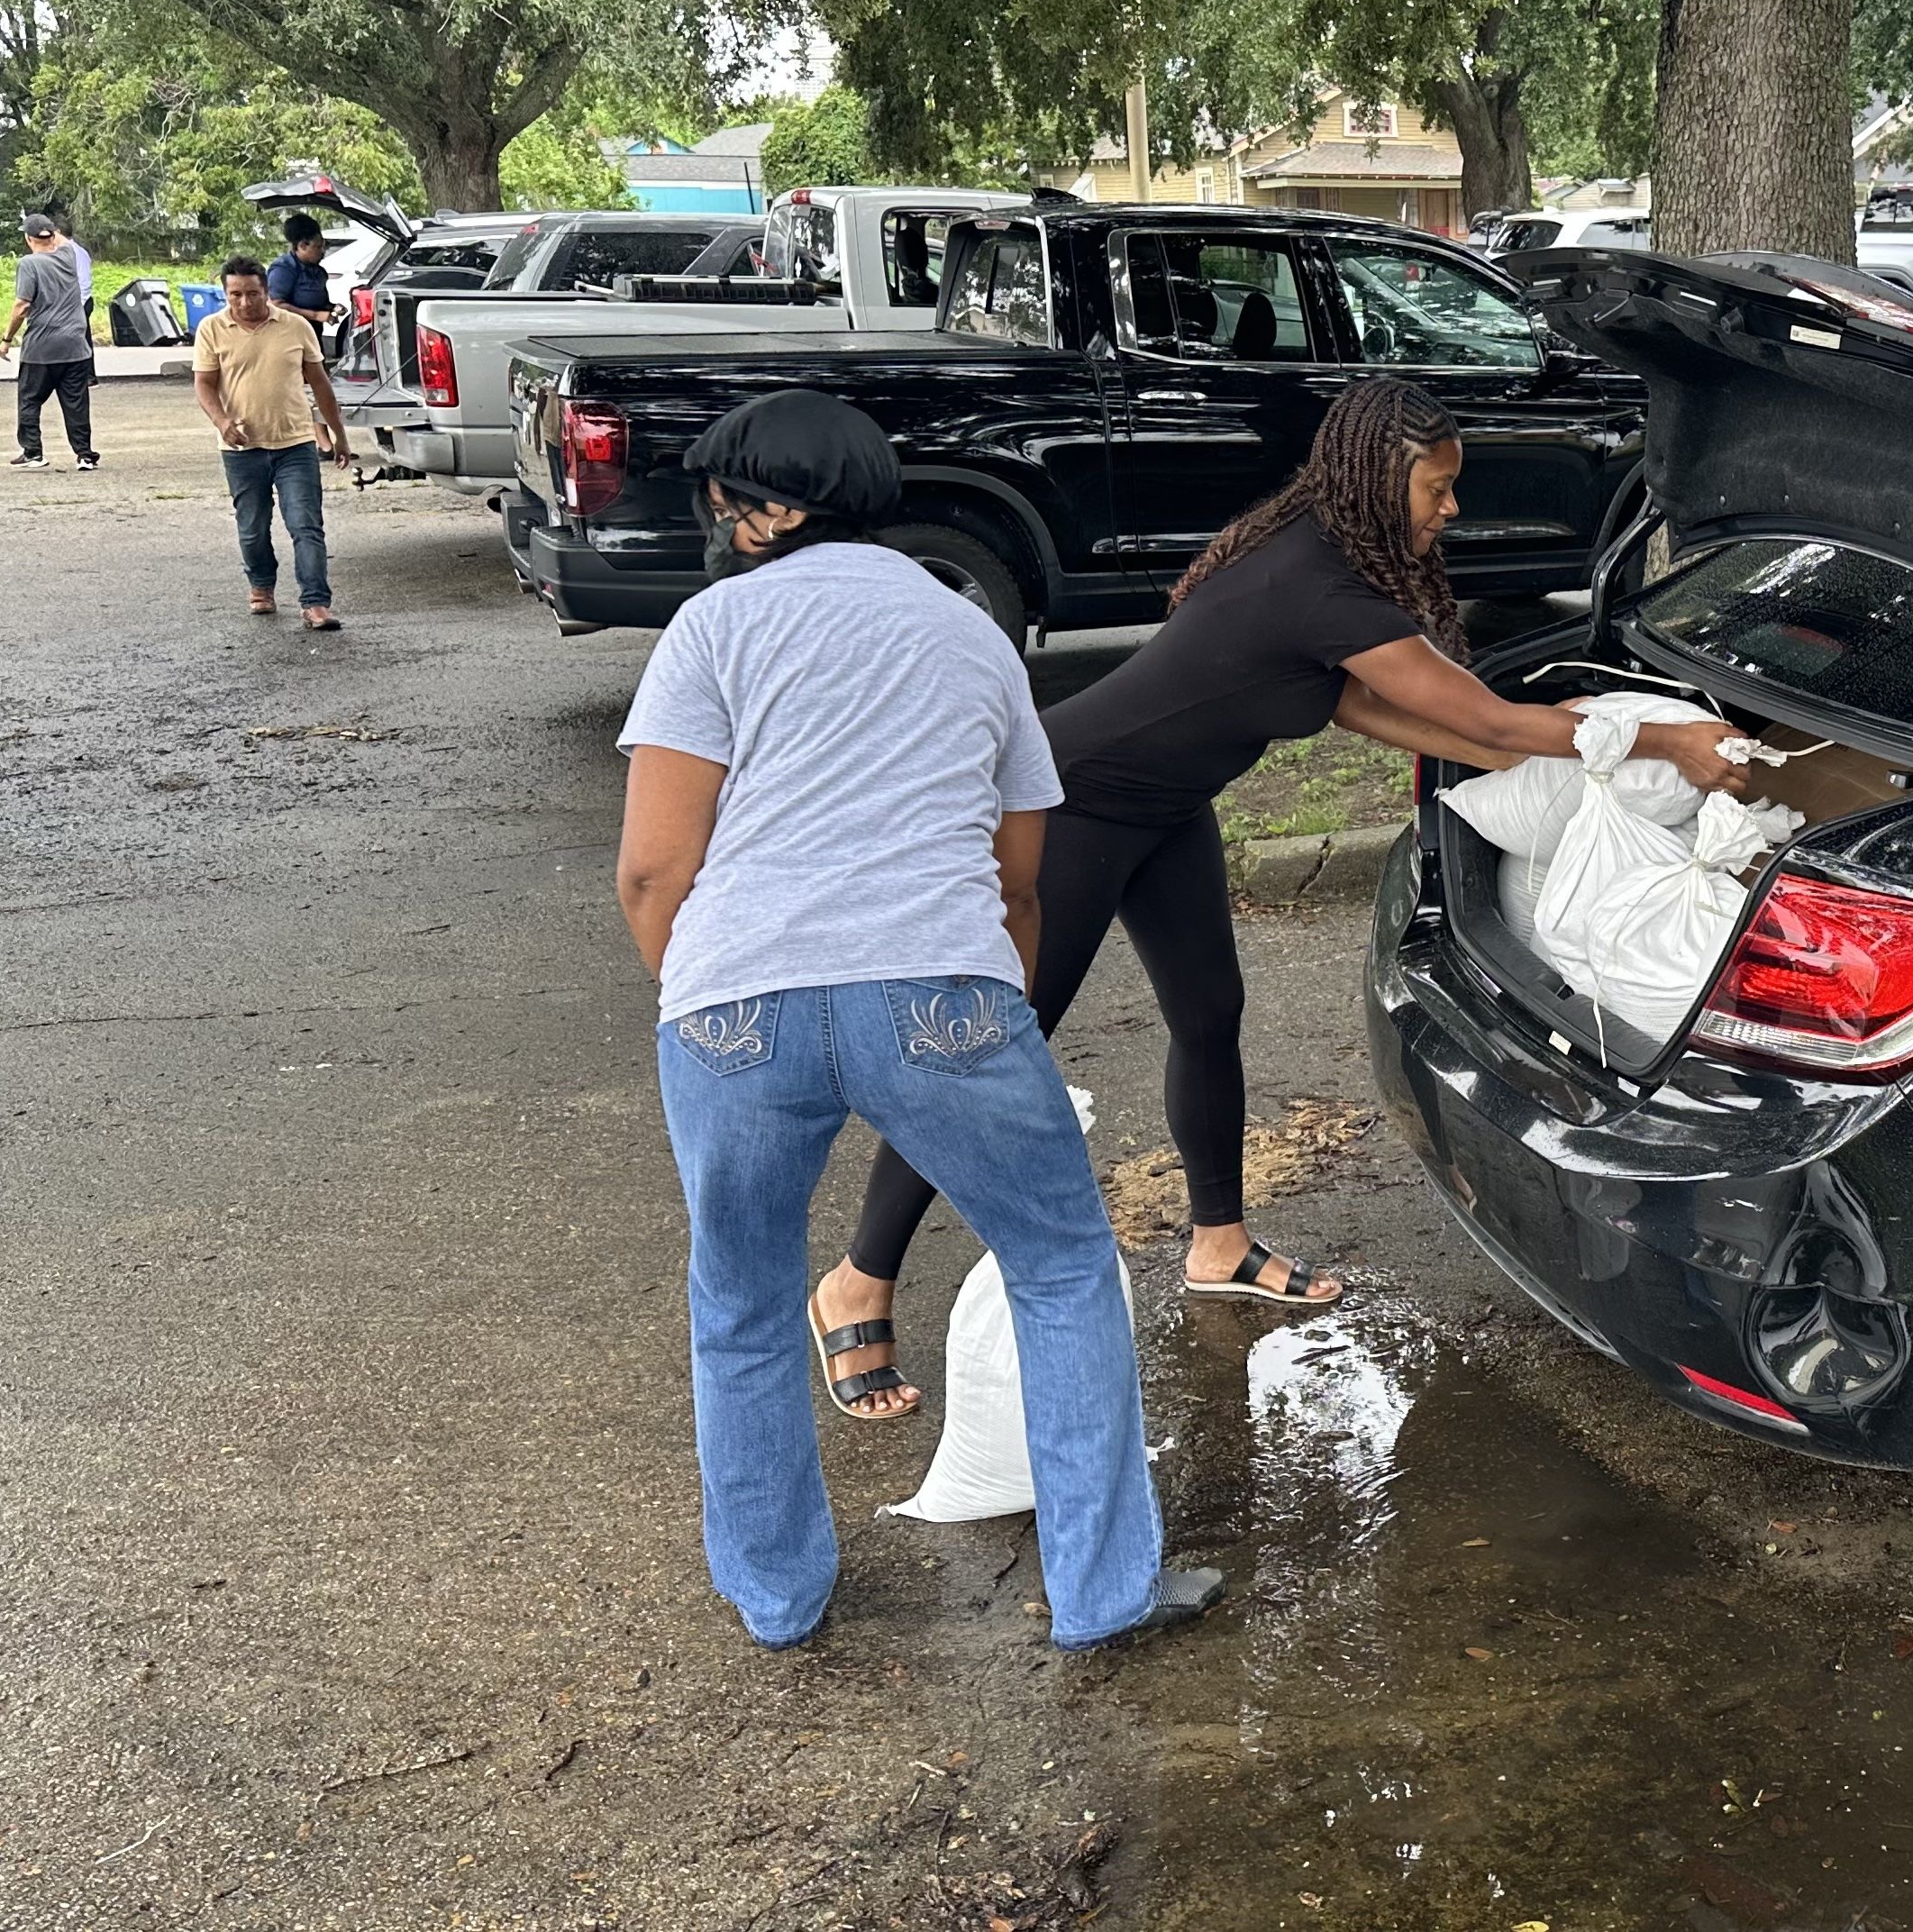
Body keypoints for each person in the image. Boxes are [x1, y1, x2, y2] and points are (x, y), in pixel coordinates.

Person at [834, 378, 1751, 1346]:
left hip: (1165, 808)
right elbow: (1479, 711)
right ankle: (857, 1284)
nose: (1452, 509)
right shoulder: (1314, 583)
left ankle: (1219, 1244)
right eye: (1436, 490)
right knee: (996, 1044)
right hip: (1069, 805)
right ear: (1375, 479)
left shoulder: (1323, 547)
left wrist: (1513, 761)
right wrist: (1665, 743)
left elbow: (1353, 705)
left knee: (1208, 1014)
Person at [614, 387, 1221, 1653]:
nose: (720, 526)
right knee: (1061, 1269)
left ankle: (779, 1603)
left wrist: (709, 994)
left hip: (735, 1004)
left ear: (776, 508)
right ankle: (1106, 1593)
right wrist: (995, 1009)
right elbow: (1015, 874)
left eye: (729, 503)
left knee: (736, 1300)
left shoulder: (709, 630)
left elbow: (654, 872)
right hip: (941, 991)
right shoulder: (970, 634)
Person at [190, 256, 354, 629]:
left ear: (266, 291)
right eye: (235, 295)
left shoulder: (295, 327)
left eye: (252, 294)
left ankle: (316, 603)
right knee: (252, 525)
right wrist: (221, 421)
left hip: (295, 444)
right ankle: (261, 586)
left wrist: (338, 435)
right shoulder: (212, 329)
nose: (245, 303)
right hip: (241, 448)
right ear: (225, 294)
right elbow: (204, 384)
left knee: (306, 525)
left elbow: (321, 384)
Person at [0, 214, 97, 471]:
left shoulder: (29, 264)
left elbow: (22, 306)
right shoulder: (68, 256)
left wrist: (7, 339)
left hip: (42, 346)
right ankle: (84, 455)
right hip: (75, 345)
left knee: (30, 399)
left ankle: (33, 452)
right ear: (52, 235)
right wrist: (50, 229)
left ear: (28, 239)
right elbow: (59, 239)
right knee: (76, 402)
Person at [264, 214, 342, 339]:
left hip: (313, 334)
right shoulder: (284, 269)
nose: (323, 251)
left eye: (323, 246)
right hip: (289, 336)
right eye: (317, 247)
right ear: (302, 246)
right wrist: (315, 315)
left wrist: (332, 307)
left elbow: (316, 301)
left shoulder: (318, 271)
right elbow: (276, 305)